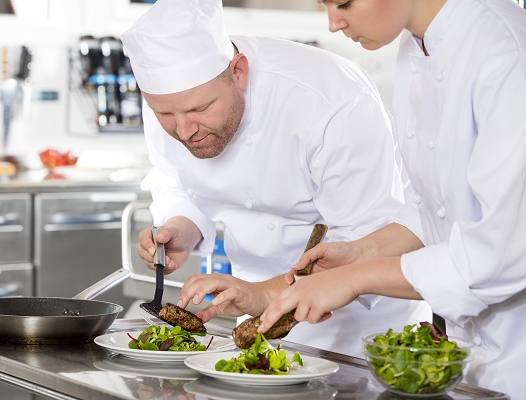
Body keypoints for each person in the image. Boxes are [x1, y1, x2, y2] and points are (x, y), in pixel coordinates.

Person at [121, 0, 431, 357]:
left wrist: (265, 293)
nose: (185, 129)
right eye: (165, 114)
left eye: (201, 109)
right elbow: (176, 179)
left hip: (359, 335)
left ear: (238, 71)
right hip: (251, 319)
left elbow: (364, 239)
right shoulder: (172, 101)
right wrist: (182, 228)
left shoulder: (331, 99)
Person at [256, 0, 526, 397]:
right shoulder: (414, 47)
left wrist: (355, 280)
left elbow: (504, 250)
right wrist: (362, 253)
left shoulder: (507, 51)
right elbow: (435, 204)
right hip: (474, 362)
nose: (334, 23)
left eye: (344, 2)